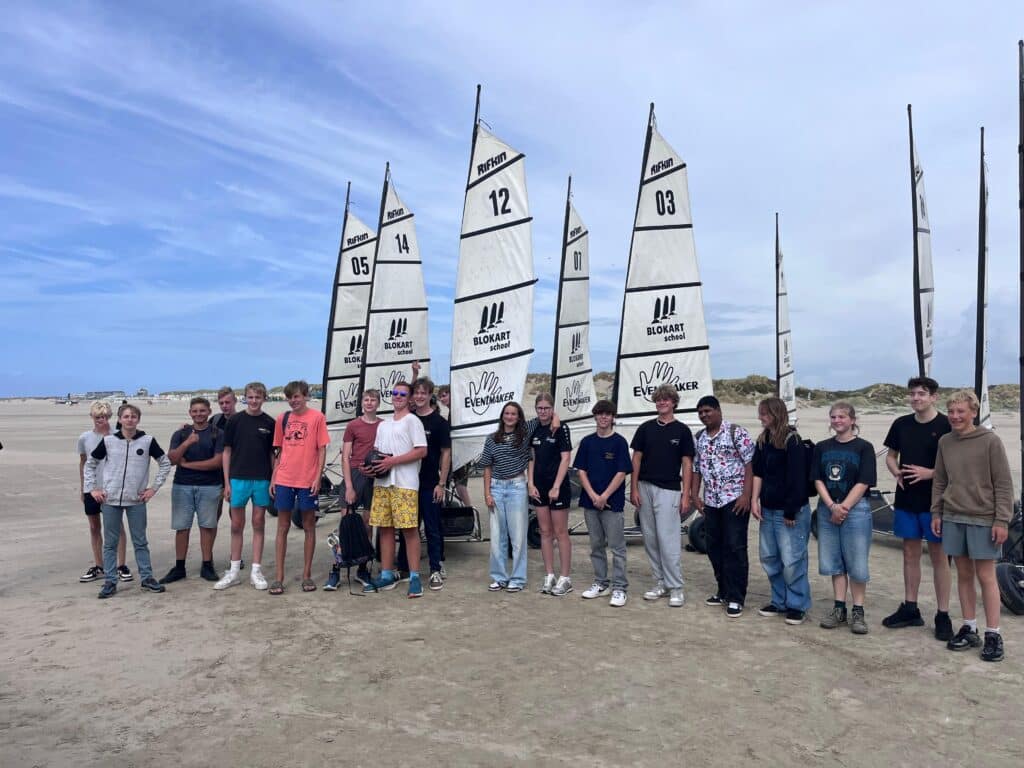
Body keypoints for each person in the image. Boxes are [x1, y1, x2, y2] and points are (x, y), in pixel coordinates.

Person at [931, 390, 1012, 662]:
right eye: (951, 412)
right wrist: (937, 512)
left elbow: (1003, 483)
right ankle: (970, 627)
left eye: (961, 412)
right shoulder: (945, 442)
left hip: (983, 518)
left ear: (973, 412)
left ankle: (993, 633)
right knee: (963, 575)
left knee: (986, 576)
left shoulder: (990, 441)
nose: (955, 416)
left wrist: (1002, 519)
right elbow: (940, 480)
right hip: (953, 515)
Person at [881, 376, 953, 639]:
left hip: (936, 501)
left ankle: (943, 613)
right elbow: (891, 455)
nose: (916, 398)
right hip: (907, 499)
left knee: (939, 557)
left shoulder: (946, 424)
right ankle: (910, 607)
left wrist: (929, 473)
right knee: (909, 553)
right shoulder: (901, 424)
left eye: (922, 394)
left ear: (934, 397)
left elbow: (955, 464)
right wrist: (896, 472)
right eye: (912, 394)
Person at [84, 403, 171, 598]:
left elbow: (165, 463)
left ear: (138, 419)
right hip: (111, 499)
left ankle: (147, 577)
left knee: (140, 541)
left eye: (133, 416)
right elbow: (90, 464)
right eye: (126, 416)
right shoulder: (109, 441)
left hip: (137, 500)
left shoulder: (147, 441)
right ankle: (110, 581)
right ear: (120, 419)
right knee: (110, 543)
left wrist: (153, 489)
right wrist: (93, 489)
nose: (130, 419)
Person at [812, 402, 877, 634]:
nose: (837, 420)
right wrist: (831, 505)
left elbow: (865, 480)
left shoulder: (864, 447)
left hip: (856, 510)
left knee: (857, 562)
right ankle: (839, 607)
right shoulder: (821, 447)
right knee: (834, 561)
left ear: (852, 420)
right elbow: (817, 478)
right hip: (827, 507)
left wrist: (844, 507)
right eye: (833, 417)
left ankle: (858, 610)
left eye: (842, 416)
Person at [630, 384, 694, 608]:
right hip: (645, 487)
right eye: (658, 400)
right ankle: (661, 583)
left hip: (669, 490)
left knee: (668, 540)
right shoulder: (646, 428)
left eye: (666, 400)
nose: (662, 403)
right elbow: (636, 458)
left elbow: (687, 464)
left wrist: (686, 495)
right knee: (650, 538)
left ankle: (676, 587)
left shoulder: (682, 431)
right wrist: (634, 488)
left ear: (673, 402)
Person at [691, 395, 755, 618]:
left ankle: (736, 597)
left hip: (734, 499)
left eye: (708, 411)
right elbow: (696, 468)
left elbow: (750, 464)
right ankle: (723, 590)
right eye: (700, 412)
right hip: (711, 500)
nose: (704, 415)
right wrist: (694, 494)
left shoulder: (736, 432)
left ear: (718, 410)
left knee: (735, 547)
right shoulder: (699, 437)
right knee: (714, 546)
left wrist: (746, 495)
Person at [363, 380, 428, 597]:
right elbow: (377, 454)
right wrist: (371, 469)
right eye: (395, 393)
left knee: (409, 530)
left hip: (405, 484)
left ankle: (415, 577)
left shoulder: (412, 421)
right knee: (385, 529)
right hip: (383, 484)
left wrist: (393, 461)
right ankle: (386, 574)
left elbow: (421, 451)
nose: (398, 396)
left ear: (409, 399)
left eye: (402, 394)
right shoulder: (383, 425)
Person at [751, 396, 811, 625]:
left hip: (789, 511)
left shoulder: (792, 439)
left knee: (792, 558)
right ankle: (779, 600)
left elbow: (797, 478)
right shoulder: (763, 439)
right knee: (770, 556)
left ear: (776, 414)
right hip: (768, 508)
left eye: (764, 414)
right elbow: (758, 472)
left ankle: (797, 604)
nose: (761, 418)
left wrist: (790, 511)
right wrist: (755, 500)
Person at [269, 380, 330, 595]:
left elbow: (322, 449)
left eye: (296, 396)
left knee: (309, 525)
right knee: (282, 526)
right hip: (285, 478)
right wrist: (274, 478)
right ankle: (279, 577)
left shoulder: (317, 418)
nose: (293, 401)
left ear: (305, 396)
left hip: (307, 479)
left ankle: (306, 574)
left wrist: (317, 477)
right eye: (290, 397)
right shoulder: (282, 418)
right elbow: (278, 451)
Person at [215, 382, 275, 591]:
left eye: (258, 398)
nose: (254, 401)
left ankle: (256, 570)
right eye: (250, 397)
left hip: (261, 479)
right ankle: (233, 571)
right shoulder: (235, 421)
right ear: (245, 398)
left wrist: (273, 479)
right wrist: (227, 482)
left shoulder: (270, 422)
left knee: (258, 522)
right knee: (236, 525)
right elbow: (227, 452)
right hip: (238, 478)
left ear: (264, 399)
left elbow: (272, 454)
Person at [160, 397, 225, 584]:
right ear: (190, 412)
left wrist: (189, 466)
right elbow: (171, 459)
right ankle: (179, 566)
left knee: (207, 526)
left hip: (210, 486)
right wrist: (187, 443)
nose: (199, 414)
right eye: (195, 411)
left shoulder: (217, 433)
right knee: (182, 527)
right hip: (182, 486)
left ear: (209, 411)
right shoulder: (181, 434)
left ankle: (207, 564)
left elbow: (217, 462)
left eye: (202, 411)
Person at [574, 400, 632, 607]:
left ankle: (619, 587)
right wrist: (592, 495)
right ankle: (601, 583)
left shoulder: (619, 442)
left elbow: (622, 472)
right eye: (600, 414)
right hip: (590, 502)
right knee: (596, 545)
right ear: (595, 416)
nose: (603, 417)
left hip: (611, 503)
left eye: (607, 414)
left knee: (617, 547)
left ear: (613, 417)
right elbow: (581, 470)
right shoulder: (588, 442)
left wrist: (604, 496)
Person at [324, 389, 381, 590]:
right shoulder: (353, 425)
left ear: (378, 403)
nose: (369, 402)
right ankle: (336, 569)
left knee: (368, 524)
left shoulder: (383, 425)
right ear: (362, 403)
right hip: (354, 475)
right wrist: (348, 486)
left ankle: (363, 569)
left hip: (374, 477)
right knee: (346, 524)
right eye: (366, 399)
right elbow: (345, 457)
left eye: (373, 399)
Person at [479, 402, 533, 593]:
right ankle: (499, 577)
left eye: (514, 414)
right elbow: (487, 466)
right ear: (502, 415)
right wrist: (487, 493)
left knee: (518, 537)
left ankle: (517, 578)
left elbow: (547, 417)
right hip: (496, 487)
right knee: (497, 536)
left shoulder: (524, 435)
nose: (510, 416)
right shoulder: (492, 439)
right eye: (507, 413)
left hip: (517, 487)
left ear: (519, 417)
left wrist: (557, 419)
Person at [408, 371, 451, 591]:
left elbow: (445, 453)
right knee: (409, 527)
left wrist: (441, 483)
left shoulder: (439, 422)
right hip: (408, 483)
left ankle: (435, 569)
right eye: (416, 393)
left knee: (433, 528)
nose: (419, 396)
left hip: (429, 483)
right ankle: (407, 568)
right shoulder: (408, 417)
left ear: (430, 395)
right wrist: (413, 374)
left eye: (423, 393)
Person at [77, 400, 128, 583]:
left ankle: (121, 565)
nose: (102, 420)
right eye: (98, 417)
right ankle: (99, 566)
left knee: (116, 527)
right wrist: (84, 488)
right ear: (92, 417)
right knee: (94, 527)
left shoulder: (119, 436)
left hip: (112, 489)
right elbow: (84, 463)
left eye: (105, 417)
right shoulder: (85, 438)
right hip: (92, 488)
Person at [529, 393, 573, 596]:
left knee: (560, 532)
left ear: (552, 408)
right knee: (545, 532)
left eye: (547, 408)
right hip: (539, 487)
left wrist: (556, 486)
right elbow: (531, 458)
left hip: (558, 488)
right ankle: (550, 574)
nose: (543, 412)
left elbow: (565, 459)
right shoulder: (533, 428)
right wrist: (530, 483)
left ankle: (565, 578)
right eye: (540, 408)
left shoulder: (560, 428)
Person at [438, 384, 474, 510]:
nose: (442, 399)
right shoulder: (451, 412)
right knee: (455, 483)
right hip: (456, 451)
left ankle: (469, 510)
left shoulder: (457, 411)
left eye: (444, 395)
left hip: (461, 451)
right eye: (440, 397)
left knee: (460, 484)